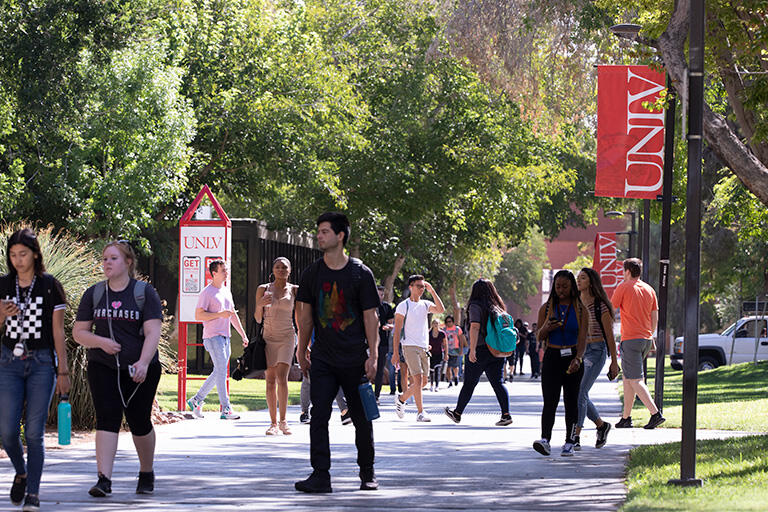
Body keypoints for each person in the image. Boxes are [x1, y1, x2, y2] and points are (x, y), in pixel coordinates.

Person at [294, 212, 381, 493]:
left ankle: (367, 473)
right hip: (323, 357)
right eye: (318, 231)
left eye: (325, 231)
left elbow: (371, 317)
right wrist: (301, 349)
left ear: (340, 235)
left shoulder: (360, 273)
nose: (319, 236)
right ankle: (320, 475)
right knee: (319, 415)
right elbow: (305, 317)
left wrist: (373, 355)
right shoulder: (312, 273)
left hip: (355, 358)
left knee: (362, 418)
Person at [73, 241, 163, 497]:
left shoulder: (144, 293)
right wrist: (101, 342)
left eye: (113, 258)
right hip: (103, 366)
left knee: (139, 420)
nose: (107, 263)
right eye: (105, 259)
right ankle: (104, 479)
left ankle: (146, 472)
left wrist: (143, 363)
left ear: (128, 262)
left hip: (139, 367)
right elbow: (79, 332)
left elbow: (153, 332)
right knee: (107, 416)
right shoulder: (94, 294)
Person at [0, 228, 70, 512]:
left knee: (34, 432)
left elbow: (58, 331)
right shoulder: (4, 284)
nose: (18, 260)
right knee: (7, 431)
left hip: (42, 362)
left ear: (35, 255)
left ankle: (33, 493)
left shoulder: (49, 285)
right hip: (9, 361)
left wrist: (63, 371)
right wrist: (1, 313)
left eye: (23, 254)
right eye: (13, 255)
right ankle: (22, 471)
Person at [533, 270, 588, 457]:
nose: (561, 290)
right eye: (558, 287)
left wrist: (578, 358)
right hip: (552, 356)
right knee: (550, 401)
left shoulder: (580, 310)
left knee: (571, 402)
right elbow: (539, 336)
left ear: (572, 287)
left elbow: (583, 339)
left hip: (572, 356)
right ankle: (545, 440)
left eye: (565, 286)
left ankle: (570, 442)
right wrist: (547, 328)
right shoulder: (547, 308)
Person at [444, 279, 513, 427]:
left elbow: (475, 327)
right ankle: (506, 415)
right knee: (498, 383)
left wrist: (472, 349)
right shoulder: (498, 306)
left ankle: (457, 413)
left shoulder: (475, 305)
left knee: (469, 383)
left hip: (481, 349)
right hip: (496, 350)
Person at [187, 260, 248, 421]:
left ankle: (196, 400)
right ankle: (226, 408)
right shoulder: (207, 292)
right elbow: (198, 315)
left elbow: (232, 315)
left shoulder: (226, 291)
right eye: (223, 270)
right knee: (221, 370)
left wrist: (243, 335)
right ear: (214, 273)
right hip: (213, 336)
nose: (226, 273)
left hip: (225, 337)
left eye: (227, 270)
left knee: (219, 371)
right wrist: (220, 315)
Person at [611, 258, 665, 430]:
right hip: (646, 340)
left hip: (630, 340)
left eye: (623, 271)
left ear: (627, 271)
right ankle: (626, 418)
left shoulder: (623, 287)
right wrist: (649, 334)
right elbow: (654, 317)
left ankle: (655, 414)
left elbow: (611, 309)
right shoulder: (649, 290)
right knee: (628, 378)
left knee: (635, 379)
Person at [573, 268, 620, 450]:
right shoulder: (575, 303)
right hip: (580, 351)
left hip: (596, 351)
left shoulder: (600, 305)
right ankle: (601, 426)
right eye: (578, 278)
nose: (579, 281)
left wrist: (614, 362)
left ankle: (575, 435)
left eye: (583, 278)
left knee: (580, 391)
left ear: (591, 282)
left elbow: (610, 337)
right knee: (580, 393)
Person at [392, 275, 446, 422]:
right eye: (419, 286)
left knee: (423, 382)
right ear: (411, 287)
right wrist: (395, 352)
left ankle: (402, 399)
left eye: (423, 286)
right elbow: (397, 331)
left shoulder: (425, 304)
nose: (422, 289)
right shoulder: (403, 306)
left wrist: (432, 291)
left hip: (424, 347)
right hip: (409, 346)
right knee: (417, 378)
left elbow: (441, 309)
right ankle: (420, 412)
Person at [255, 257, 299, 435]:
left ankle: (283, 421)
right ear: (273, 270)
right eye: (278, 267)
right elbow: (258, 318)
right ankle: (273, 423)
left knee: (282, 377)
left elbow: (299, 318)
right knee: (270, 380)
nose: (281, 270)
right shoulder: (263, 289)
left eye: (284, 267)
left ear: (290, 270)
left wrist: (304, 343)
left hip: (287, 336)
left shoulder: (295, 290)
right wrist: (260, 305)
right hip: (268, 337)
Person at [373, 285, 395, 400]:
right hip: (367, 343)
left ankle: (376, 395)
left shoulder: (387, 307)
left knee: (380, 370)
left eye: (381, 295)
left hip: (382, 343)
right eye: (377, 294)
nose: (379, 297)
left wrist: (387, 327)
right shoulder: (368, 306)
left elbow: (392, 324)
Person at [443, 315, 465, 387]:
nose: (448, 323)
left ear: (453, 322)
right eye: (447, 322)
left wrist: (461, 350)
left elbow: (461, 339)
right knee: (448, 367)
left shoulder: (457, 329)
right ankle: (450, 381)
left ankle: (456, 376)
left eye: (449, 321)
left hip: (455, 350)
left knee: (455, 367)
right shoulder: (444, 330)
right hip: (447, 350)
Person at [428, 319, 447, 392]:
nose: (435, 325)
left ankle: (437, 385)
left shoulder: (442, 334)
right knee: (431, 370)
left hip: (439, 354)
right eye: (434, 323)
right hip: (431, 354)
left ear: (439, 324)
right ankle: (431, 385)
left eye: (437, 323)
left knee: (437, 369)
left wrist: (446, 354)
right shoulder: (428, 333)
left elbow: (445, 344)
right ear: (432, 324)